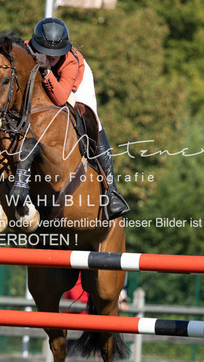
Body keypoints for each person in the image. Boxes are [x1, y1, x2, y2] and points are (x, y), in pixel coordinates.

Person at [28, 17, 129, 220]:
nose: (50, 56)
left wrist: (46, 71)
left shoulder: (71, 62)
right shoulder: (27, 49)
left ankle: (111, 191)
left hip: (74, 85)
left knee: (92, 121)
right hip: (48, 82)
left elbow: (60, 98)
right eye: (45, 52)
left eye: (54, 54)